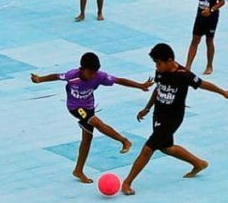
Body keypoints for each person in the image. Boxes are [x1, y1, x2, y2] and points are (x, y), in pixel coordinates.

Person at [123, 42, 228, 195]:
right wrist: (147, 108)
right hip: (159, 114)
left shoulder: (184, 75)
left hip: (173, 117)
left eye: (159, 63)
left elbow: (203, 84)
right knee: (165, 146)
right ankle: (198, 163)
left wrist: (223, 92)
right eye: (155, 63)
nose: (157, 67)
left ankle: (127, 182)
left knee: (148, 148)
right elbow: (158, 89)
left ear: (170, 61)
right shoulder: (160, 72)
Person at [29, 53, 151, 183]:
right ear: (82, 69)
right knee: (96, 122)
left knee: (87, 139)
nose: (93, 76)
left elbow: (119, 80)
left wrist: (140, 86)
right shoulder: (72, 76)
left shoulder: (100, 76)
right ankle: (124, 140)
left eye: (95, 72)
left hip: (89, 107)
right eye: (90, 73)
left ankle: (78, 170)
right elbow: (56, 76)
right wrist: (39, 79)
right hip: (75, 108)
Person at [185, 0, 226, 75]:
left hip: (212, 16)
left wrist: (211, 10)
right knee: (195, 40)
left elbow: (222, 1)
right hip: (200, 14)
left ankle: (209, 65)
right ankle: (188, 66)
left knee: (209, 40)